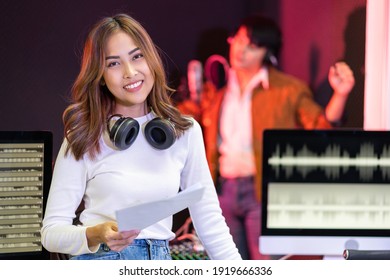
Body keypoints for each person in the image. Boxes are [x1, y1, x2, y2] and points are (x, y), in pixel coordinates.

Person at [40, 13, 242, 260]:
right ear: (100, 77)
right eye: (113, 63)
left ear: (151, 60)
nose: (130, 72)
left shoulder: (184, 131)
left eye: (137, 57)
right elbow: (51, 233)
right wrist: (94, 234)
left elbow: (209, 218)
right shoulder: (85, 136)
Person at [177, 14, 355, 260]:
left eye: (253, 46)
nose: (242, 50)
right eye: (239, 40)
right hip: (223, 189)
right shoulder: (217, 89)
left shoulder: (287, 89)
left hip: (263, 191)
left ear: (267, 52)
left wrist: (341, 94)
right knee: (226, 263)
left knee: (267, 264)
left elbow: (321, 127)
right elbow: (186, 119)